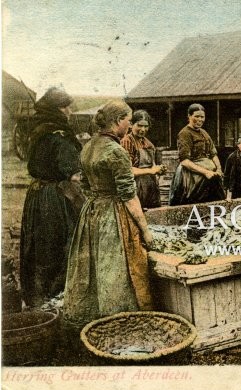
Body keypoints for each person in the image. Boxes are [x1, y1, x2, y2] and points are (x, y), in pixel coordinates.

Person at [64, 100, 153, 328]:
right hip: (113, 213)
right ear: (117, 121)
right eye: (128, 120)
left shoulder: (89, 147)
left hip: (91, 211)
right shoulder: (116, 151)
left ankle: (91, 318)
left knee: (93, 264)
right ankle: (117, 320)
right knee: (114, 267)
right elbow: (129, 195)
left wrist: (96, 201)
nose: (129, 125)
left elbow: (83, 184)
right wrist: (146, 231)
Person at [19, 87, 84, 308]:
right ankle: (54, 299)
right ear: (58, 109)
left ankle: (36, 297)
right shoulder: (60, 136)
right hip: (55, 198)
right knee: (57, 243)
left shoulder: (37, 130)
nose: (69, 111)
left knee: (37, 245)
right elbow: (74, 175)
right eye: (66, 106)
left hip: (36, 195)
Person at [169, 103, 224, 205]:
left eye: (202, 117)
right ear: (189, 116)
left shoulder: (204, 133)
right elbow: (185, 161)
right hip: (193, 175)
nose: (200, 119)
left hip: (210, 173)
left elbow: (213, 154)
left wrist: (219, 169)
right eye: (196, 116)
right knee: (194, 201)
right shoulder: (185, 133)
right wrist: (205, 172)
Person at [120, 110, 166, 209]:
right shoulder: (127, 142)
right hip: (135, 186)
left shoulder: (149, 144)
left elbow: (153, 164)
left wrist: (159, 169)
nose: (143, 129)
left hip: (151, 186)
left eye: (146, 126)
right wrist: (151, 171)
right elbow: (128, 170)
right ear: (131, 125)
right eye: (139, 125)